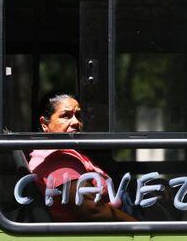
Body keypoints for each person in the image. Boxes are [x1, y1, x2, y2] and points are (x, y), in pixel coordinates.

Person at [28, 93, 137, 222]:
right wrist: (137, 226)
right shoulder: (59, 160)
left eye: (78, 116)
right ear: (44, 124)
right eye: (65, 116)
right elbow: (92, 210)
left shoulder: (66, 151)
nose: (76, 122)